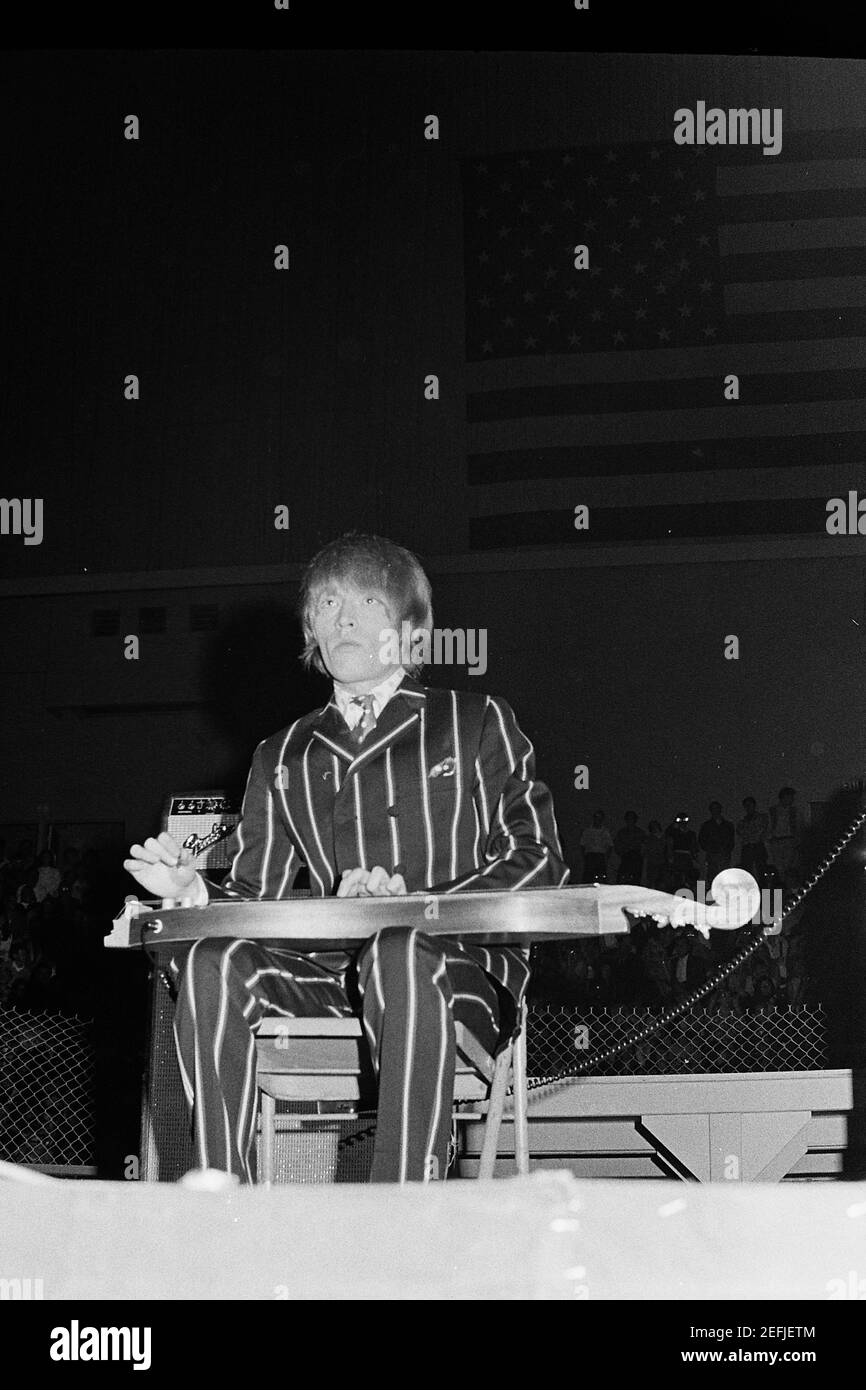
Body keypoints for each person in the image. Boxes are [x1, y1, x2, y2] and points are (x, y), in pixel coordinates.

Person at [124, 532, 568, 1184]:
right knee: (215, 957)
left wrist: (413, 905)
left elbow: (539, 860)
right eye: (328, 603)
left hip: (454, 974)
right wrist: (191, 893)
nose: (346, 618)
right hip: (324, 983)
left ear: (411, 629)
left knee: (398, 949)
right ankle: (221, 1201)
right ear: (311, 628)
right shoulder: (282, 754)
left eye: (368, 600)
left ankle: (401, 1203)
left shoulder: (477, 721)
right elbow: (256, 900)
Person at [766, 786, 802, 892]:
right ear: (783, 797)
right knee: (778, 869)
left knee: (789, 869)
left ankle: (789, 893)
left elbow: (799, 826)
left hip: (790, 841)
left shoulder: (794, 811)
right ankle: (779, 893)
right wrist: (769, 841)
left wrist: (798, 841)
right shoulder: (773, 810)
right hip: (777, 841)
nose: (791, 800)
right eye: (790, 797)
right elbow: (769, 826)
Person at [697, 801, 735, 885]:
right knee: (712, 875)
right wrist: (710, 849)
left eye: (717, 808)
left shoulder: (728, 825)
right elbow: (701, 840)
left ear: (720, 810)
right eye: (713, 809)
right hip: (712, 855)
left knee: (725, 876)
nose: (715, 811)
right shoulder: (706, 825)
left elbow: (731, 841)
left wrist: (726, 850)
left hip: (724, 855)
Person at [736, 796, 768, 878]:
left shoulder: (762, 817)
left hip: (758, 846)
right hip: (747, 847)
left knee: (762, 870)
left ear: (754, 805)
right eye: (746, 805)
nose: (748, 807)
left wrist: (749, 833)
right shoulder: (742, 821)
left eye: (750, 805)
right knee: (747, 871)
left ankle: (764, 890)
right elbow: (740, 832)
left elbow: (760, 831)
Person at [579, 810, 613, 883]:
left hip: (600, 856)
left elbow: (610, 845)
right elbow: (582, 844)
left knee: (601, 877)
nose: (598, 820)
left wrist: (607, 857)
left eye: (600, 818)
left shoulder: (605, 831)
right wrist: (584, 857)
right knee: (588, 877)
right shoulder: (587, 831)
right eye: (597, 817)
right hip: (590, 856)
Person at [613, 811, 645, 884]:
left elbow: (643, 846)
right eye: (628, 818)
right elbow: (617, 845)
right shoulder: (622, 832)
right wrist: (621, 853)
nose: (630, 820)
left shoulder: (640, 832)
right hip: (626, 857)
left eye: (632, 818)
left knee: (635, 879)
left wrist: (641, 855)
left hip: (636, 858)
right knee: (622, 878)